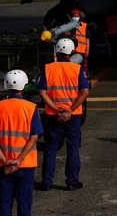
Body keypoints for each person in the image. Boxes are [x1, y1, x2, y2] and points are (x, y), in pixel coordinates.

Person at [0, 69, 44, 216]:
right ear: (24, 86)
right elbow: (34, 137)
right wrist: (19, 160)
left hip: (4, 167)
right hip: (25, 166)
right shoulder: (30, 108)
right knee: (24, 206)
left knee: (4, 206)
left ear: (6, 86)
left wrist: (5, 160)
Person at [37, 38, 90, 191]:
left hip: (53, 115)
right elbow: (84, 92)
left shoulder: (48, 68)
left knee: (51, 148)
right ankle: (72, 182)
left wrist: (56, 109)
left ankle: (46, 182)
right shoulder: (76, 69)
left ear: (57, 51)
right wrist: (70, 110)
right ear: (72, 51)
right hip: (72, 116)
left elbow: (42, 92)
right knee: (72, 148)